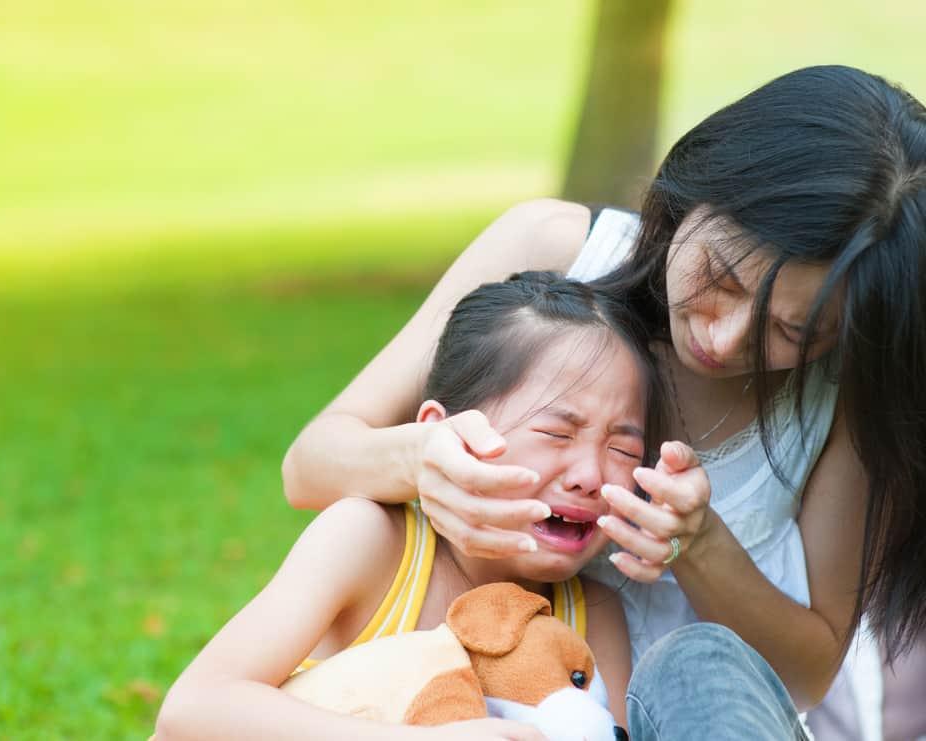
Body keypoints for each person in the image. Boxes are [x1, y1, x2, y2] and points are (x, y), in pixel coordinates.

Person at [281, 65, 926, 738]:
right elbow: (312, 462)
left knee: (694, 664)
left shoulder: (840, 400)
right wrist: (423, 459)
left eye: (791, 331)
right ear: (697, 189)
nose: (724, 338)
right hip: (454, 709)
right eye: (719, 277)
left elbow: (805, 675)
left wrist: (700, 546)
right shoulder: (556, 251)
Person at [156, 271, 668, 740]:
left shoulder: (590, 614)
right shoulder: (369, 542)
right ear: (439, 435)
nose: (590, 476)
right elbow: (192, 710)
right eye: (556, 433)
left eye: (622, 449)